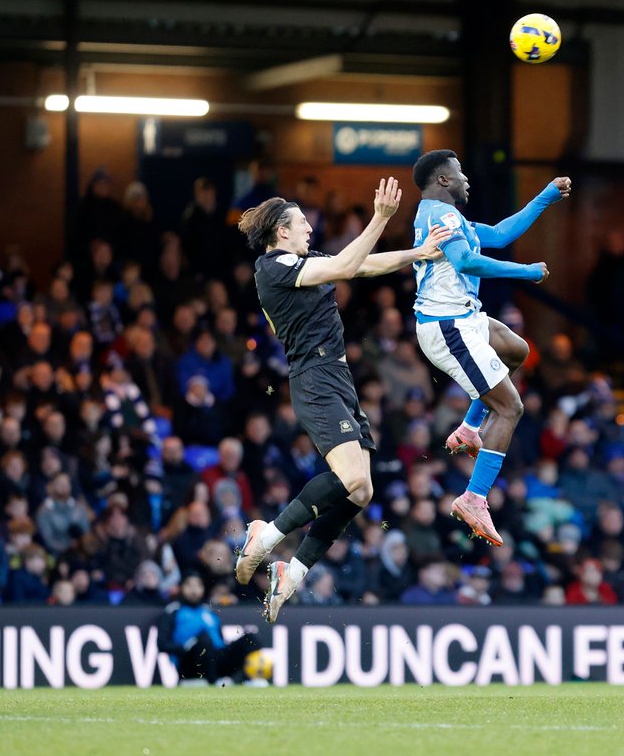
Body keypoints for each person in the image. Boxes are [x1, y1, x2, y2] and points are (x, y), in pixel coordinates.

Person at [231, 177, 451, 624]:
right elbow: (349, 266)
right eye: (301, 222)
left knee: (363, 488)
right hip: (313, 378)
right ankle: (266, 534)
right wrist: (380, 218)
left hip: (337, 378)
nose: (310, 227)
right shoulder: (272, 268)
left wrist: (417, 254)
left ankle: (291, 571)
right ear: (281, 232)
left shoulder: (304, 260)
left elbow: (364, 264)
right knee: (350, 477)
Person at [410, 149, 571, 546]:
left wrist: (545, 196)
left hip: (465, 318)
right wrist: (525, 272)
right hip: (447, 325)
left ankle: (468, 427)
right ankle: (474, 498)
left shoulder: (447, 216)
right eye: (460, 172)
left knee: (516, 350)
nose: (467, 179)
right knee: (510, 407)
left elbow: (498, 235)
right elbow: (465, 262)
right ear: (443, 180)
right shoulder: (438, 214)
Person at [157, 573, 262, 685]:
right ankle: (213, 681)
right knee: (204, 640)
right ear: (181, 587)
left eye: (198, 586)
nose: (194, 590)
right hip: (190, 662)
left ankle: (246, 680)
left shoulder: (209, 612)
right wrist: (186, 647)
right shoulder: (174, 611)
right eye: (189, 585)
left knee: (249, 639)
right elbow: (162, 644)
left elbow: (220, 641)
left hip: (216, 658)